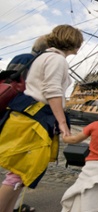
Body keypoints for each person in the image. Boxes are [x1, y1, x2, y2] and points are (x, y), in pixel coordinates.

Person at [0, 25, 83, 212]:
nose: (80, 46)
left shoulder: (42, 57)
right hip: (34, 120)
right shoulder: (57, 60)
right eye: (79, 42)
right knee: (19, 174)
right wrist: (62, 123)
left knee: (18, 174)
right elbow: (52, 91)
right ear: (72, 41)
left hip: (26, 116)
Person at [4, 36, 48, 212]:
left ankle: (13, 205)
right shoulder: (34, 62)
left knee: (16, 167)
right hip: (24, 113)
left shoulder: (20, 58)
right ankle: (10, 205)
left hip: (11, 109)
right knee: (20, 166)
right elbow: (29, 88)